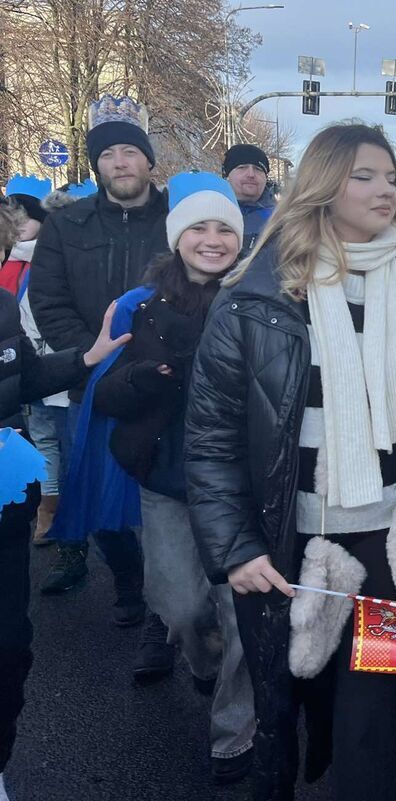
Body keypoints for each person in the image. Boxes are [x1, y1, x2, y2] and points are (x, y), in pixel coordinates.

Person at [185, 122, 396, 801]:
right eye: (364, 176)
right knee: (298, 707)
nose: (385, 189)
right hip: (292, 552)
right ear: (324, 185)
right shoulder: (255, 299)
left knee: (374, 725)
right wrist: (235, 548)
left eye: (390, 177)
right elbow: (211, 440)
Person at [88, 172, 255, 782]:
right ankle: (204, 663)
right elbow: (103, 394)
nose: (212, 240)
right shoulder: (141, 306)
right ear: (177, 238)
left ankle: (234, 733)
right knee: (182, 608)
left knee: (243, 614)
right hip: (165, 478)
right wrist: (140, 379)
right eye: (198, 229)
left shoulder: (261, 301)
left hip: (241, 482)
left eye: (224, 229)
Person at [29, 96, 165, 625]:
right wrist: (93, 354)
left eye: (129, 151)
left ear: (148, 159)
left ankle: (165, 603)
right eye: (107, 155)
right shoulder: (67, 225)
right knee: (99, 498)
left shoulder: (179, 220)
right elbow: (49, 300)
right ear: (96, 165)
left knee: (165, 495)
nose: (120, 163)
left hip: (165, 380)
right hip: (94, 383)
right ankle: (130, 582)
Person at [0, 274, 129, 801]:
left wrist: (86, 357)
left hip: (5, 505)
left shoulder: (2, 306)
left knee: (9, 648)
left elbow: (25, 377)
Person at [3, 183, 78, 545]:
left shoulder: (48, 263)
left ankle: (59, 521)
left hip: (49, 370)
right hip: (35, 371)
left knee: (60, 444)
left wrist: (85, 358)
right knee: (50, 442)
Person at [221, 143, 276, 256]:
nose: (251, 174)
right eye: (242, 167)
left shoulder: (280, 218)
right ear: (227, 174)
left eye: (258, 169)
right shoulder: (209, 212)